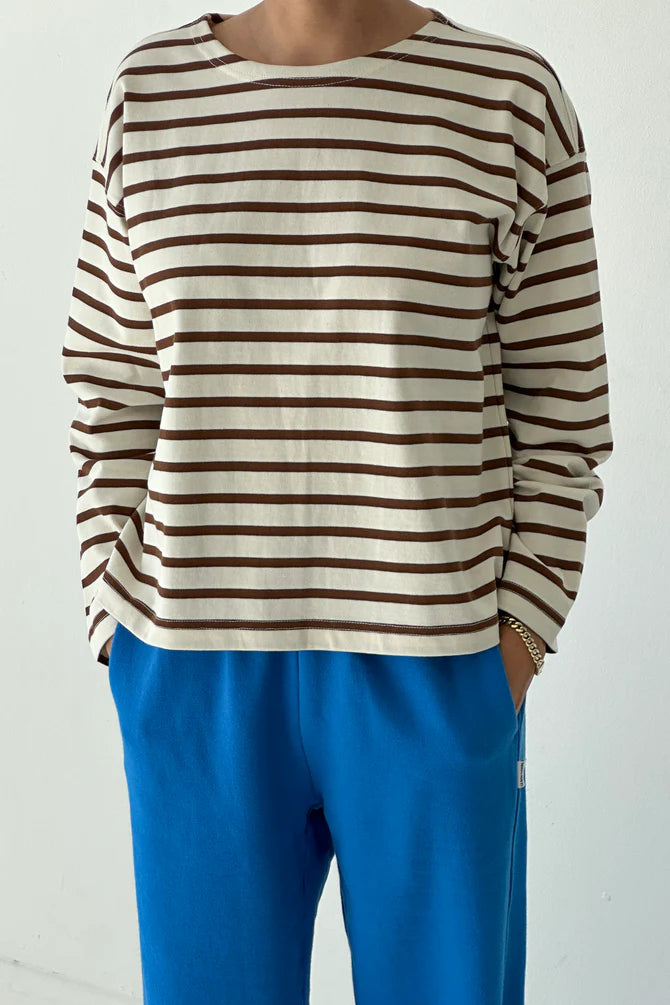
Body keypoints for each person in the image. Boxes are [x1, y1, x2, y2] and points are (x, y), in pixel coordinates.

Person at [61, 2, 613, 1002]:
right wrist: (118, 624)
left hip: (433, 668)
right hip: (195, 674)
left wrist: (513, 649)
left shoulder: (509, 103)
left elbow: (562, 418)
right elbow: (112, 390)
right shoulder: (149, 98)